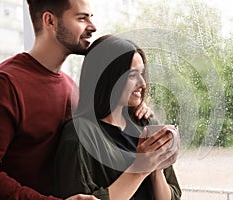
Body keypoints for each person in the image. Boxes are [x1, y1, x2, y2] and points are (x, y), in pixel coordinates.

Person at [0, 1, 150, 199]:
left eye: (91, 17)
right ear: (50, 21)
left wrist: (135, 106)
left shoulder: (71, 88)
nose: (93, 27)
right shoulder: (7, 84)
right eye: (82, 18)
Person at [54, 35, 181, 200]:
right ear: (107, 78)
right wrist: (141, 168)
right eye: (132, 75)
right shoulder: (79, 135)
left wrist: (155, 168)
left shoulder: (145, 123)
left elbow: (173, 196)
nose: (142, 83)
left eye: (142, 73)